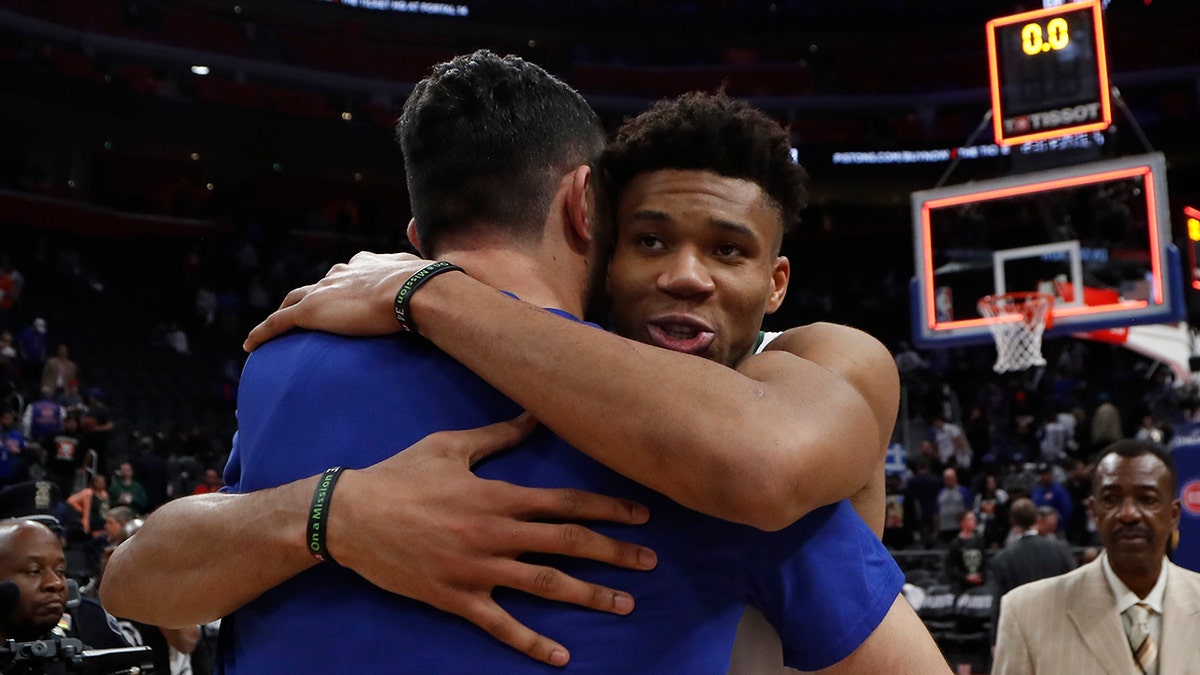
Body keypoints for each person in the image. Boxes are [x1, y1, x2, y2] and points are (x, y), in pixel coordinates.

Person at [104, 52, 946, 673]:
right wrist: (333, 512)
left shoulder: (286, 362)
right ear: (593, 218)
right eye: (649, 239)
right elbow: (135, 578)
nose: (684, 275)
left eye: (728, 251)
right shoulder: (689, 453)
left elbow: (765, 455)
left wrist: (427, 295)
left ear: (777, 282)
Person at [993, 439, 1200, 673]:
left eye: (1147, 499)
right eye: (1111, 499)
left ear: (1173, 515)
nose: (1128, 514)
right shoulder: (1025, 613)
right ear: (1094, 512)